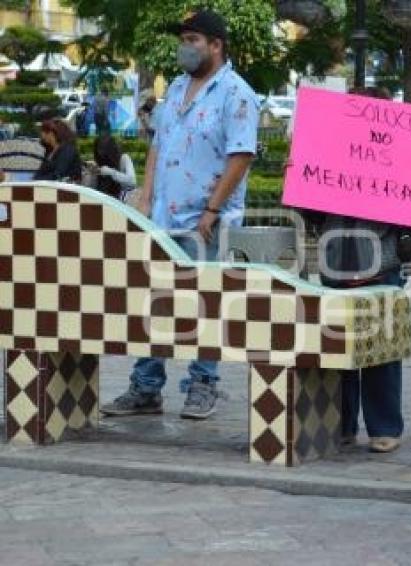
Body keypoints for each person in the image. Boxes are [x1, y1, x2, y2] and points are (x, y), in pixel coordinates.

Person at [100, 9, 259, 420]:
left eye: (193, 40)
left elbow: (240, 157)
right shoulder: (175, 87)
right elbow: (158, 144)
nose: (184, 47)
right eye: (183, 40)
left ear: (216, 45)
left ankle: (202, 385)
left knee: (202, 303)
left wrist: (213, 208)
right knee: (155, 301)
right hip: (162, 215)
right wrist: (145, 195)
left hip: (207, 220)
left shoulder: (237, 93)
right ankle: (146, 386)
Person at [301, 86, 411, 453]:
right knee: (335, 353)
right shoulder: (328, 157)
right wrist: (298, 178)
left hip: (382, 268)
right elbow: (312, 213)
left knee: (382, 354)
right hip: (335, 267)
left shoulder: (399, 162)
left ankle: (384, 426)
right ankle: (339, 424)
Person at [88, 133, 136, 200]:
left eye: (102, 150)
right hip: (102, 200)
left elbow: (132, 181)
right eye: (98, 149)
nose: (100, 153)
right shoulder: (99, 162)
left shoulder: (123, 158)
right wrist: (93, 173)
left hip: (119, 201)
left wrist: (111, 172)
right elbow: (92, 189)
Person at [34, 118, 82, 182]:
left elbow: (59, 174)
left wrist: (38, 180)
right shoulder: (50, 151)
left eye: (42, 132)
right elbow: (41, 171)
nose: (41, 136)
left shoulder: (68, 149)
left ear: (51, 133)